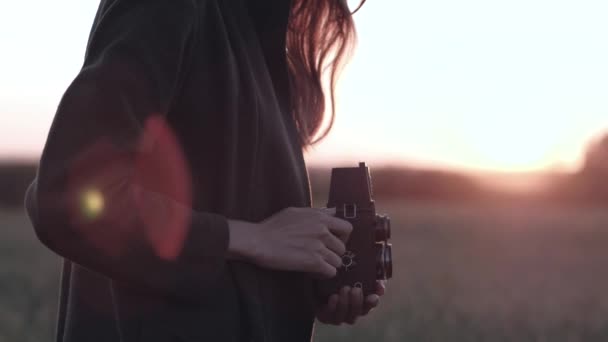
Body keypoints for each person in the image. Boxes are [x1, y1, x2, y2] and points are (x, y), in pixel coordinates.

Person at [24, 0, 384, 341]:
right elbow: (66, 198)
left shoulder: (259, 39)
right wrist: (249, 238)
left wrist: (298, 284)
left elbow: (234, 229)